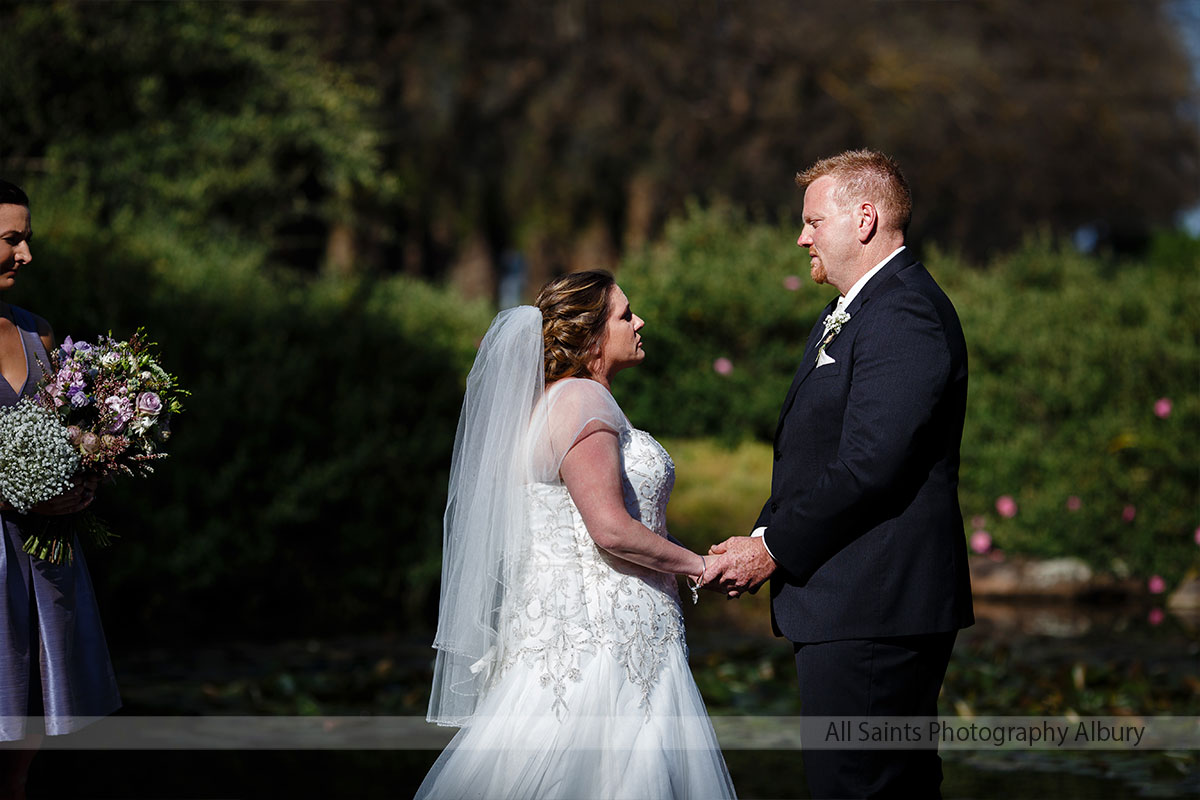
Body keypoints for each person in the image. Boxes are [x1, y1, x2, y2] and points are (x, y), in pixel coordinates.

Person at [707, 150, 974, 798]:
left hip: (875, 606)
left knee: (858, 787)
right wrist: (759, 535)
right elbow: (819, 455)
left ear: (864, 218)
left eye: (811, 220)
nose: (801, 237)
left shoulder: (904, 311)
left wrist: (769, 547)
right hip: (854, 602)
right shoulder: (862, 308)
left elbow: (869, 466)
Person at [416, 271, 736, 799]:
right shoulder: (583, 400)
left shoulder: (558, 402)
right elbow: (610, 528)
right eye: (625, 315)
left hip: (600, 628)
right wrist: (699, 565)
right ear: (591, 339)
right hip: (605, 638)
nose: (640, 323)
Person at [0, 180, 121, 799]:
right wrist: (12, 497)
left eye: (27, 239)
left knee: (22, 743)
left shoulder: (38, 335)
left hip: (42, 555)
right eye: (10, 239)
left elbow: (67, 433)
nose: (25, 255)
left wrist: (89, 470)